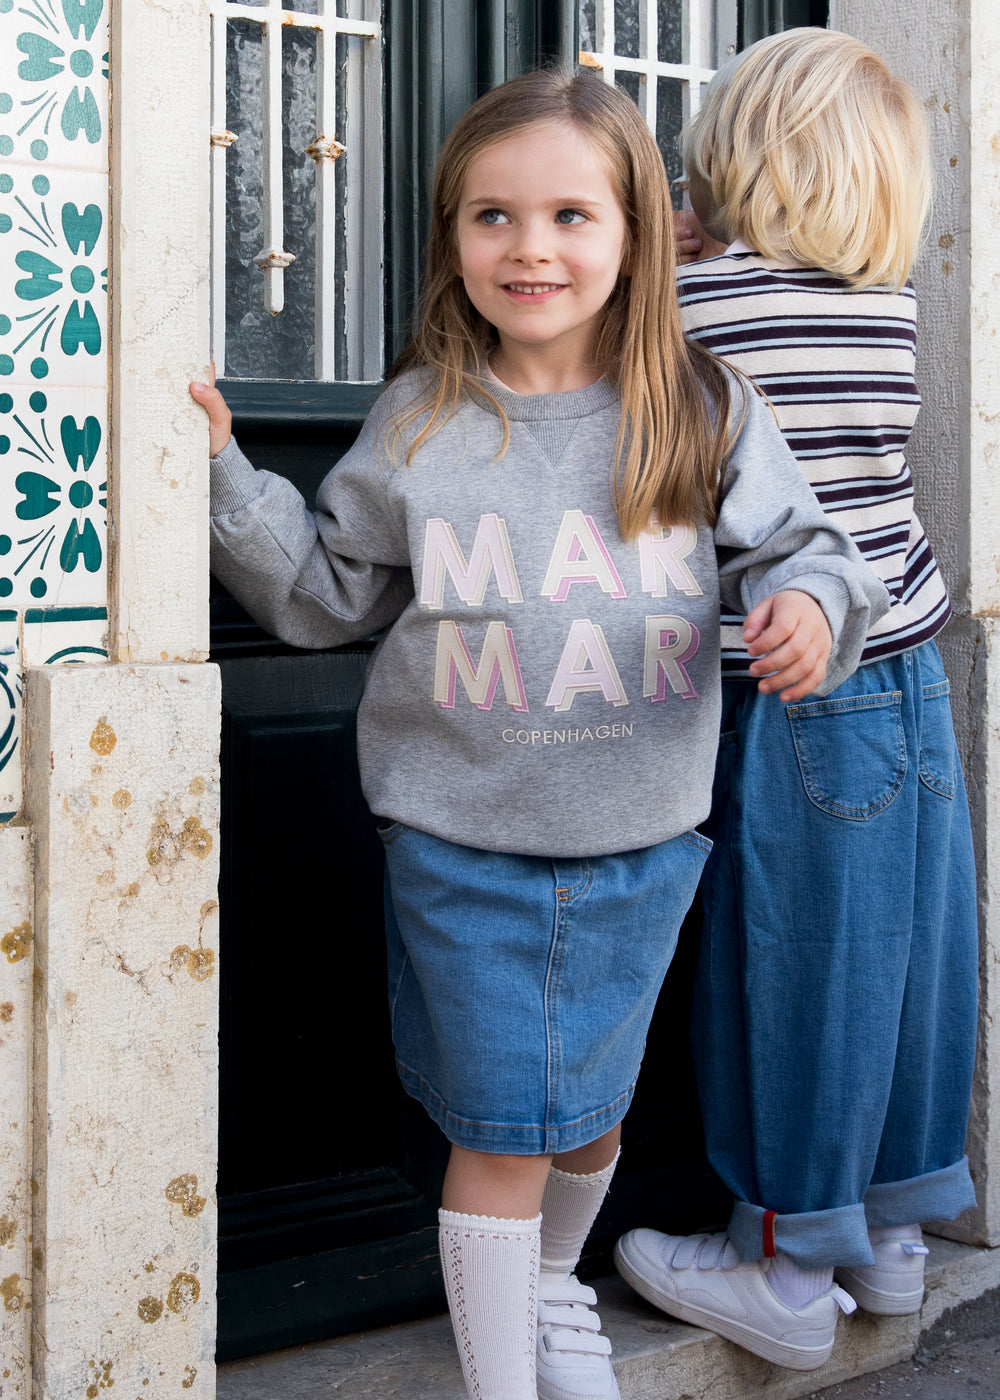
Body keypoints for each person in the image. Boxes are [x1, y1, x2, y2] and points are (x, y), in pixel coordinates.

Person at [192, 67, 886, 1400]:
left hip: (642, 845)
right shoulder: (423, 417)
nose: (532, 248)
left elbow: (808, 550)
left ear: (636, 231)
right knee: (507, 1132)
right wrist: (225, 473)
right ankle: (502, 1374)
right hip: (462, 846)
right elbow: (327, 596)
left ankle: (556, 1280)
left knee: (589, 1117)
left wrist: (807, 604)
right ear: (453, 234)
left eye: (571, 215)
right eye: (493, 216)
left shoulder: (700, 407)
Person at [614, 27, 979, 1374]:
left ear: (730, 159)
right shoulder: (889, 311)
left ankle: (782, 1262)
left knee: (789, 966)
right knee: (899, 958)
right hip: (904, 671)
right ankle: (888, 1232)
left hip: (785, 685)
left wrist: (655, 252)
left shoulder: (697, 314)